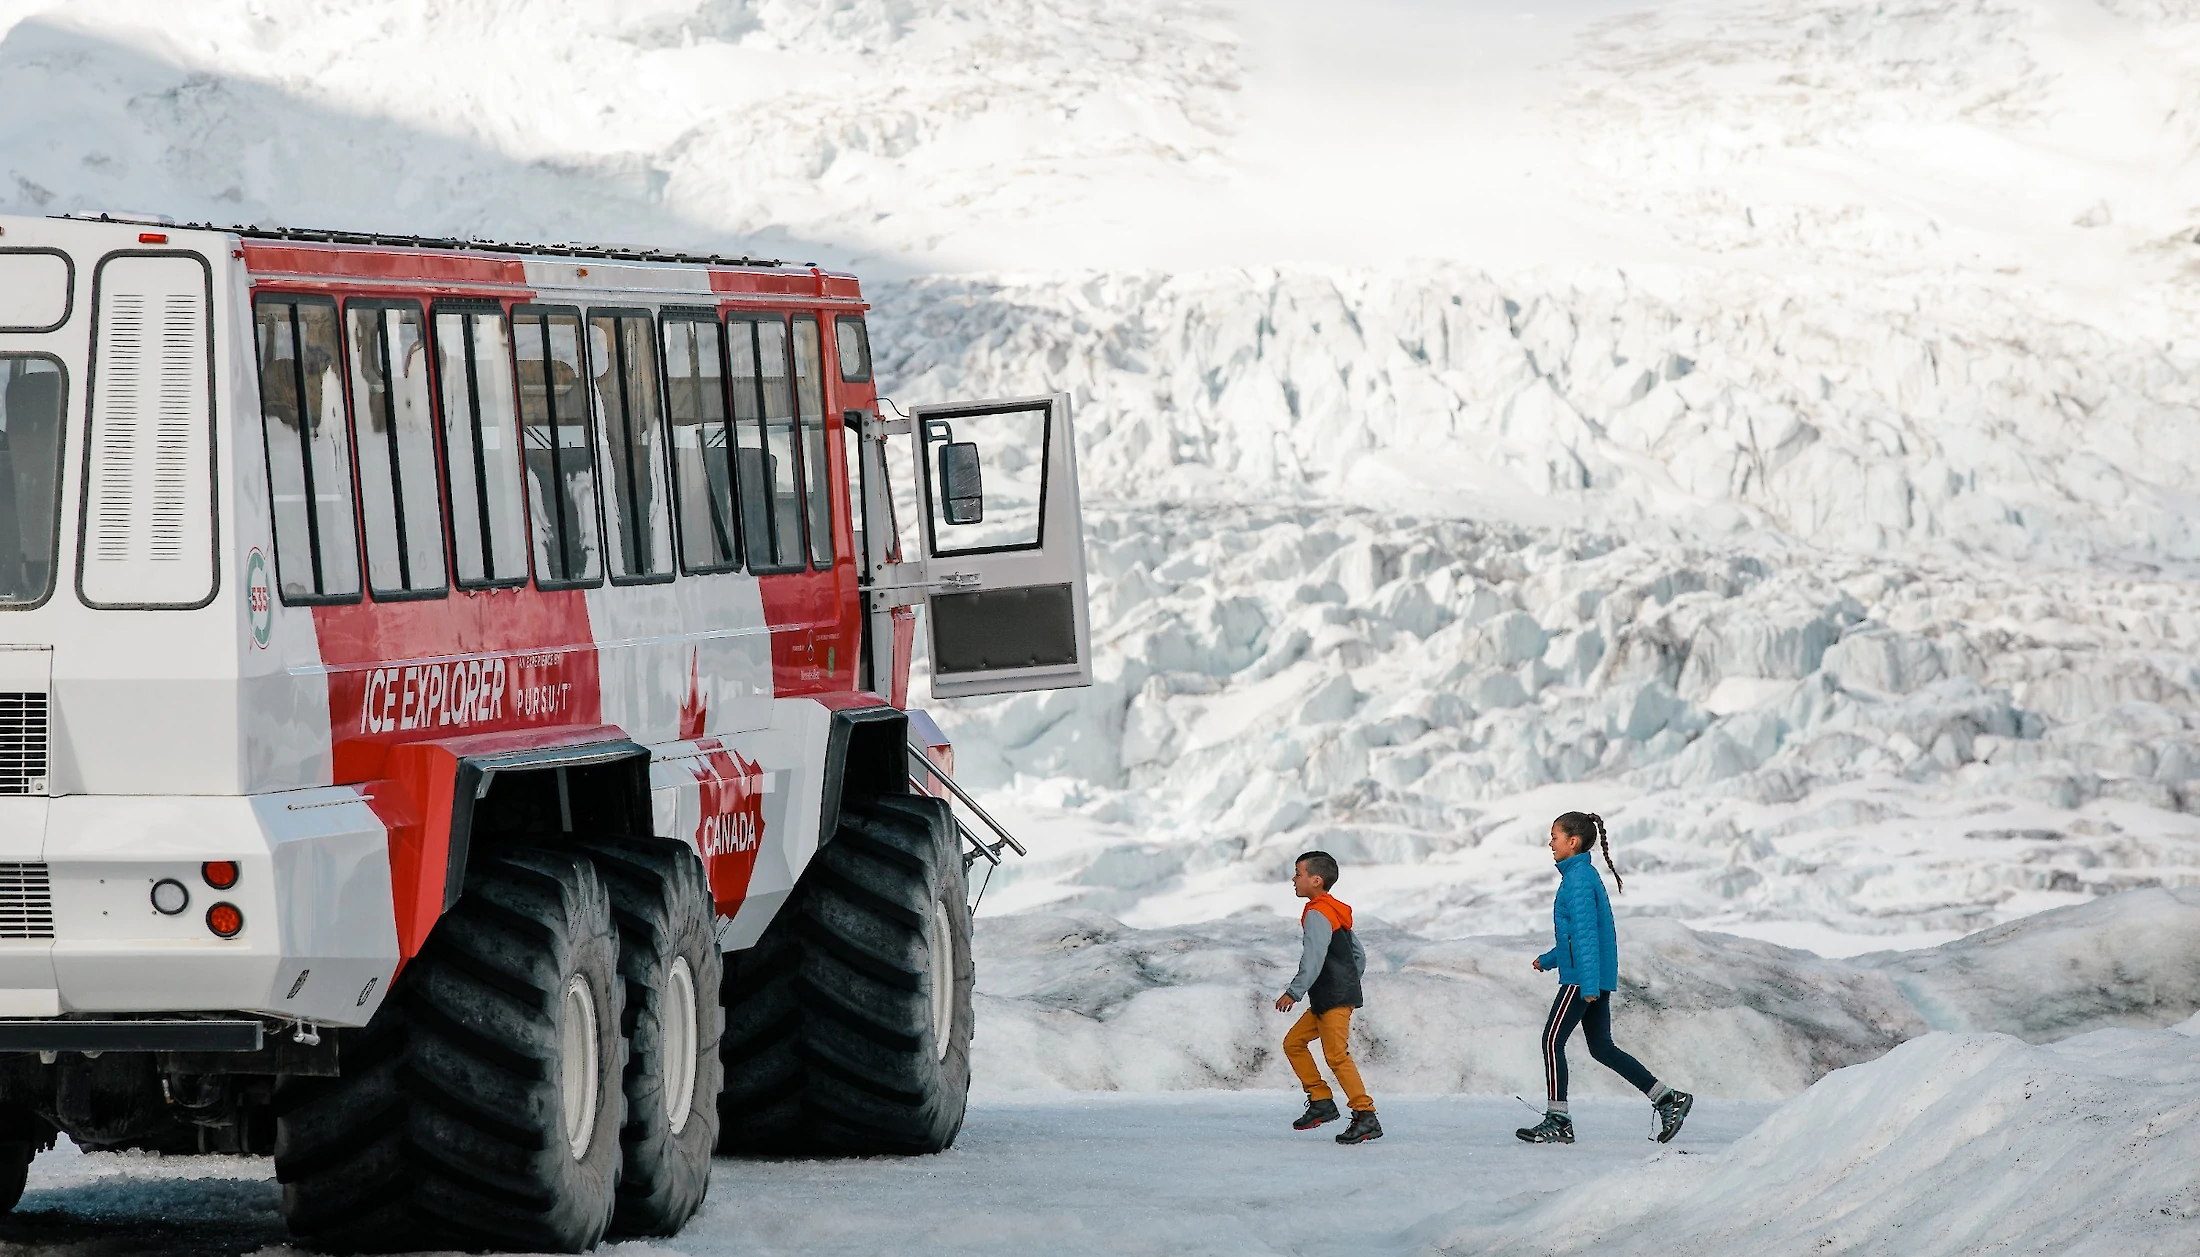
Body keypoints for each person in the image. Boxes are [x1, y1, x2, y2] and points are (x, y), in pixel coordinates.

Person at [1517, 812, 1694, 1145]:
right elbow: (1577, 936)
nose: (1550, 843)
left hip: (1583, 978)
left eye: (1554, 836)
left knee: (1552, 1041)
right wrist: (1550, 959)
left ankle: (1558, 1119)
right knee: (1602, 1048)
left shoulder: (1579, 879)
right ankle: (1667, 1098)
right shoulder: (1579, 875)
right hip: (1589, 974)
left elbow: (1586, 936)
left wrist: (1585, 986)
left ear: (1573, 841)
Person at [1275, 850, 1381, 1145]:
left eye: (1298, 874)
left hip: (1333, 997)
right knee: (1293, 1043)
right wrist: (1348, 980)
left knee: (1336, 1056)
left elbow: (1313, 957)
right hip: (1331, 995)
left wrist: (1293, 992)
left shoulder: (1318, 913)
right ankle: (1321, 1100)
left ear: (1316, 880)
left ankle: (1365, 1115)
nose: (1294, 880)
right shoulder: (1335, 909)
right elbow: (1358, 954)